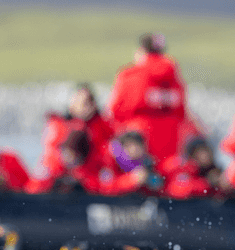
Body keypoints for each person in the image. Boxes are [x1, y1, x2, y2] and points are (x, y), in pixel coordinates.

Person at [108, 33, 186, 165]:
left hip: (138, 140)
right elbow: (182, 112)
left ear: (141, 50)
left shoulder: (130, 75)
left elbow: (115, 111)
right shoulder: (174, 78)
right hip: (171, 139)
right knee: (166, 172)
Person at [26, 130, 146, 196]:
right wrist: (131, 180)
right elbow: (34, 187)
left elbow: (102, 186)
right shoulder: (56, 163)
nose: (66, 157)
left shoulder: (91, 167)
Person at [38, 84, 114, 178]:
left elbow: (108, 155)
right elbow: (51, 159)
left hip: (92, 177)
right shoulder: (58, 125)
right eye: (80, 102)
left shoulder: (102, 126)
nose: (84, 107)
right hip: (63, 176)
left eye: (88, 102)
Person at [160, 138, 224, 199]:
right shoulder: (188, 170)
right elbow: (176, 190)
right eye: (199, 153)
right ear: (192, 156)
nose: (204, 156)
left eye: (206, 151)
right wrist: (206, 183)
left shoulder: (217, 170)